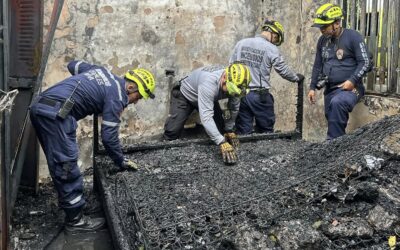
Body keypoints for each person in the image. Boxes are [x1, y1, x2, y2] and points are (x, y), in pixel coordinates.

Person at [29, 60, 156, 232]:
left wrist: (89, 87)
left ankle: (72, 206)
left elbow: (73, 65)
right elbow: (109, 138)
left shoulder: (102, 71)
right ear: (131, 87)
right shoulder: (117, 97)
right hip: (57, 116)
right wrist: (121, 161)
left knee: (59, 162)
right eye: (139, 96)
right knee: (67, 165)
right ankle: (75, 222)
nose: (136, 102)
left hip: (41, 106)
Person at [163, 62, 251, 164]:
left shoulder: (237, 84)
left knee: (220, 129)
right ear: (225, 78)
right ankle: (163, 152)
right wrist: (221, 141)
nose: (231, 94)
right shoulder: (208, 82)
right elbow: (206, 117)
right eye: (231, 91)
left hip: (210, 97)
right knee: (172, 131)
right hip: (186, 96)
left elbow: (233, 108)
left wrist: (229, 129)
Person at [229, 19, 304, 134]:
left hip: (241, 94)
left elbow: (231, 66)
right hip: (259, 95)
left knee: (244, 131)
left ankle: (245, 151)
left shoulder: (241, 43)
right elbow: (282, 70)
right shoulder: (271, 48)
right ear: (273, 33)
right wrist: (296, 78)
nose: (275, 42)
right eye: (276, 38)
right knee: (266, 132)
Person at [308, 3, 371, 140]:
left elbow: (366, 62)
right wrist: (312, 87)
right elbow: (318, 65)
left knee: (338, 103)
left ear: (337, 23)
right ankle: (339, 148)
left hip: (351, 87)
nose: (322, 30)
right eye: (320, 27)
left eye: (324, 26)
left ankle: (331, 148)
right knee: (332, 118)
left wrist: (352, 80)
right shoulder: (322, 41)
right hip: (330, 88)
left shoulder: (353, 37)